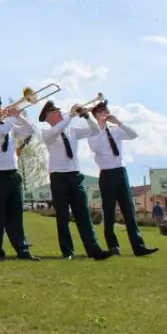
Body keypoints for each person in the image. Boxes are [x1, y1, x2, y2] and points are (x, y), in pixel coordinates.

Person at [38, 100, 112, 261]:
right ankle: (67, 251)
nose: (60, 112)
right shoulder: (47, 132)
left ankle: (94, 250)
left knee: (83, 215)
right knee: (62, 217)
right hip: (58, 177)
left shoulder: (71, 130)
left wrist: (86, 117)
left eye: (59, 110)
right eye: (56, 111)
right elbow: (58, 129)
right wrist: (71, 115)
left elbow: (94, 131)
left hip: (75, 176)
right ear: (48, 116)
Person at [87, 101, 159, 257]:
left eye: (106, 111)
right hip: (106, 174)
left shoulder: (116, 130)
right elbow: (96, 147)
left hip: (120, 172)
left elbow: (133, 135)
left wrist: (118, 122)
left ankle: (138, 246)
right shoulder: (93, 133)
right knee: (109, 211)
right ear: (96, 115)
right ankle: (113, 246)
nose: (105, 114)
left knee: (129, 210)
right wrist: (100, 128)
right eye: (102, 112)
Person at [0, 92, 41, 261]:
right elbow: (1, 130)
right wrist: (12, 118)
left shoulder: (9, 125)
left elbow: (30, 130)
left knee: (15, 215)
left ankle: (22, 249)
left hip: (13, 174)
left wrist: (19, 116)